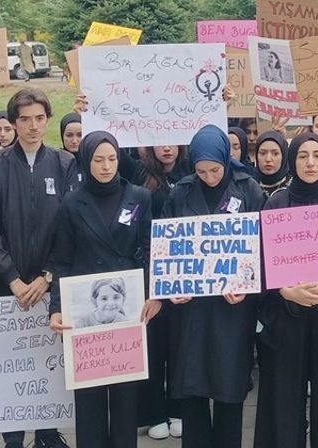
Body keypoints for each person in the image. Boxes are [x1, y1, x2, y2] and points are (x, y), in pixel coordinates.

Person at [0, 88, 77, 448]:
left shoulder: (64, 163)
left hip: (49, 284)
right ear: (13, 123)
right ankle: (13, 438)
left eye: (39, 118)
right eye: (24, 119)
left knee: (46, 362)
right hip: (7, 286)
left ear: (47, 119)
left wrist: (48, 277)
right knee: (11, 366)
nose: (33, 126)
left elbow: (69, 226)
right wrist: (13, 279)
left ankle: (48, 434)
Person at [49, 131, 160, 448]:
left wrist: (155, 294)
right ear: (86, 160)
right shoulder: (72, 203)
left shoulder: (139, 197)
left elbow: (151, 249)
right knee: (90, 401)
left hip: (128, 308)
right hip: (86, 310)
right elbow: (63, 261)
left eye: (112, 158)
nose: (106, 165)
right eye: (98, 159)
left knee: (126, 400)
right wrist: (56, 307)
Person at [161, 125, 266, 448]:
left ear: (226, 159)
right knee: (192, 389)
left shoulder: (248, 190)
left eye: (214, 170)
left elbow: (263, 246)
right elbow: (164, 247)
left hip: (232, 310)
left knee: (228, 390)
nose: (208, 177)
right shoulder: (180, 191)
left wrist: (249, 287)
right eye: (201, 170)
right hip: (190, 312)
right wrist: (169, 286)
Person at [253, 133, 318, 448]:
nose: (310, 162)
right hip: (287, 321)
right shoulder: (275, 203)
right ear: (292, 160)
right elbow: (260, 262)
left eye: (316, 155)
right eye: (302, 156)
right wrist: (284, 291)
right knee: (283, 404)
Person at [136, 142, 188, 440]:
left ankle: (178, 409)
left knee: (180, 346)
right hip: (150, 275)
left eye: (173, 142)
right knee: (152, 349)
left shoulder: (193, 174)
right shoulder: (139, 176)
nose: (167, 148)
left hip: (184, 278)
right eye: (160, 142)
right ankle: (153, 412)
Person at [252, 131, 291, 197]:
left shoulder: (294, 187)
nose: (268, 159)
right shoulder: (248, 186)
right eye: (263, 153)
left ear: (284, 156)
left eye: (275, 154)